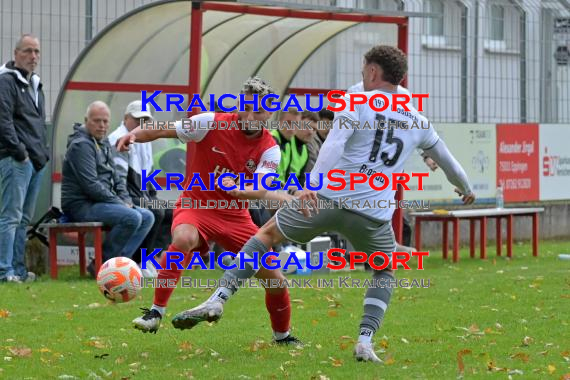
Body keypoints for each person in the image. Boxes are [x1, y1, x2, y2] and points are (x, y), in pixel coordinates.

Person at [174, 45, 476, 361]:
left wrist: (312, 186)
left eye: (364, 68)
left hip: (327, 199)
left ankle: (218, 298)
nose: (361, 73)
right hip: (372, 214)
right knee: (383, 270)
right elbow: (449, 161)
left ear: (373, 72)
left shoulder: (357, 101)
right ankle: (365, 342)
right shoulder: (417, 118)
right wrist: (465, 188)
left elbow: (334, 143)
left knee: (266, 236)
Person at [117, 77, 301, 345]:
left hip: (236, 216)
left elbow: (261, 188)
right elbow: (161, 130)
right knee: (183, 240)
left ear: (269, 113)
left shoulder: (270, 148)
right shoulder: (209, 122)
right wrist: (134, 135)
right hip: (196, 206)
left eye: (259, 110)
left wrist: (239, 189)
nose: (250, 115)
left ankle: (282, 337)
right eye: (246, 106)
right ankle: (155, 313)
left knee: (276, 281)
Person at [61, 101, 155, 276]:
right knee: (132, 217)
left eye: (105, 121)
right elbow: (91, 185)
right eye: (97, 121)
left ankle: (119, 265)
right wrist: (119, 202)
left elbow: (118, 178)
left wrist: (125, 200)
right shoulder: (80, 145)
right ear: (86, 120)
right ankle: (101, 265)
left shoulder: (102, 142)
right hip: (81, 205)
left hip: (100, 202)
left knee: (147, 216)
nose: (102, 125)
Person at [0, 34, 50, 283]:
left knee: (23, 220)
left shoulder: (36, 85)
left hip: (35, 162)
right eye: (28, 51)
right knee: (10, 216)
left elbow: (38, 123)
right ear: (16, 53)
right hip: (16, 160)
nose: (33, 57)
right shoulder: (6, 82)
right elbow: (4, 121)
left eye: (37, 52)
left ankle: (17, 270)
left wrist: (43, 152)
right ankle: (4, 270)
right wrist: (21, 153)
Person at [108, 100, 172, 277]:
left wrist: (153, 196)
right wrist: (127, 200)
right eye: (137, 119)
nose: (141, 124)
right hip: (124, 195)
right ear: (126, 118)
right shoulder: (118, 139)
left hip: (139, 192)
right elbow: (119, 178)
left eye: (145, 120)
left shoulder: (145, 140)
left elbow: (148, 175)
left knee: (173, 212)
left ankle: (150, 257)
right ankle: (139, 261)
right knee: (156, 212)